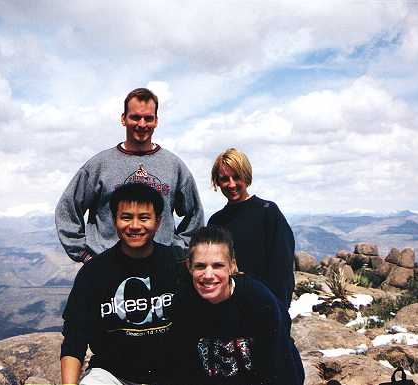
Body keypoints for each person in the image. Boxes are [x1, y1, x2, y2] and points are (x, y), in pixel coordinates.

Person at [55, 87, 204, 263]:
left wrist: (177, 252)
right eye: (135, 117)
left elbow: (195, 214)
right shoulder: (99, 165)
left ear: (156, 121)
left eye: (148, 118)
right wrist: (85, 255)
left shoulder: (174, 166)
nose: (142, 124)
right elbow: (67, 208)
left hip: (160, 267)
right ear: (123, 119)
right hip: (108, 267)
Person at [60, 183, 182, 385]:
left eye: (144, 218)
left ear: (158, 221)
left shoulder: (177, 265)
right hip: (112, 375)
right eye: (126, 217)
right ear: (114, 220)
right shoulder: (94, 272)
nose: (135, 226)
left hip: (170, 374)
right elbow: (75, 338)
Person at [172, 226, 304, 385]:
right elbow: (183, 369)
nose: (208, 275)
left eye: (217, 265)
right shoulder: (184, 303)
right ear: (189, 266)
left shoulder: (258, 301)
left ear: (232, 265)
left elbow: (280, 368)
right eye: (200, 266)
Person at [207, 148, 295, 306]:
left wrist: (279, 309)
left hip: (267, 305)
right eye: (224, 179)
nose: (231, 184)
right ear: (217, 182)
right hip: (229, 307)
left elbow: (283, 269)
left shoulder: (268, 212)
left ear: (246, 177)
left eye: (236, 177)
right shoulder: (216, 221)